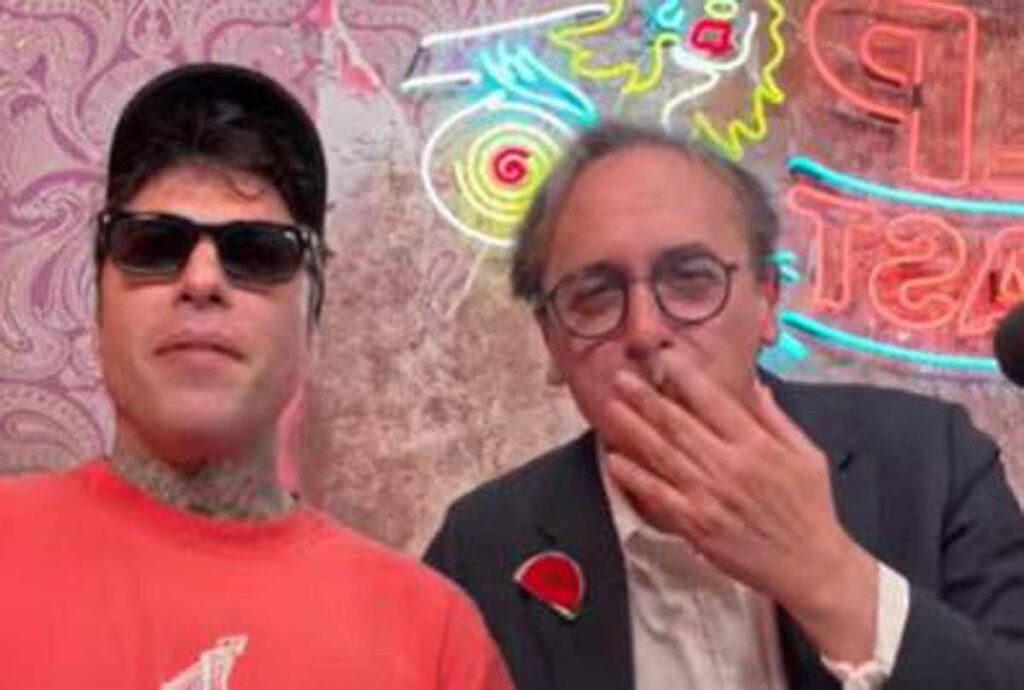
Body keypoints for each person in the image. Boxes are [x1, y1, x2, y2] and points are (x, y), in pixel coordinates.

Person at [425, 123, 1024, 690]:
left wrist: (827, 574)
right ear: (551, 341)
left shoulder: (932, 461)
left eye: (690, 279)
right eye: (595, 296)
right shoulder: (480, 548)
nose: (645, 330)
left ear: (766, 303)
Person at [0, 63, 512, 690]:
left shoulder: (432, 637)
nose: (202, 280)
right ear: (98, 305)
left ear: (314, 313)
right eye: (153, 245)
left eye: (258, 252)